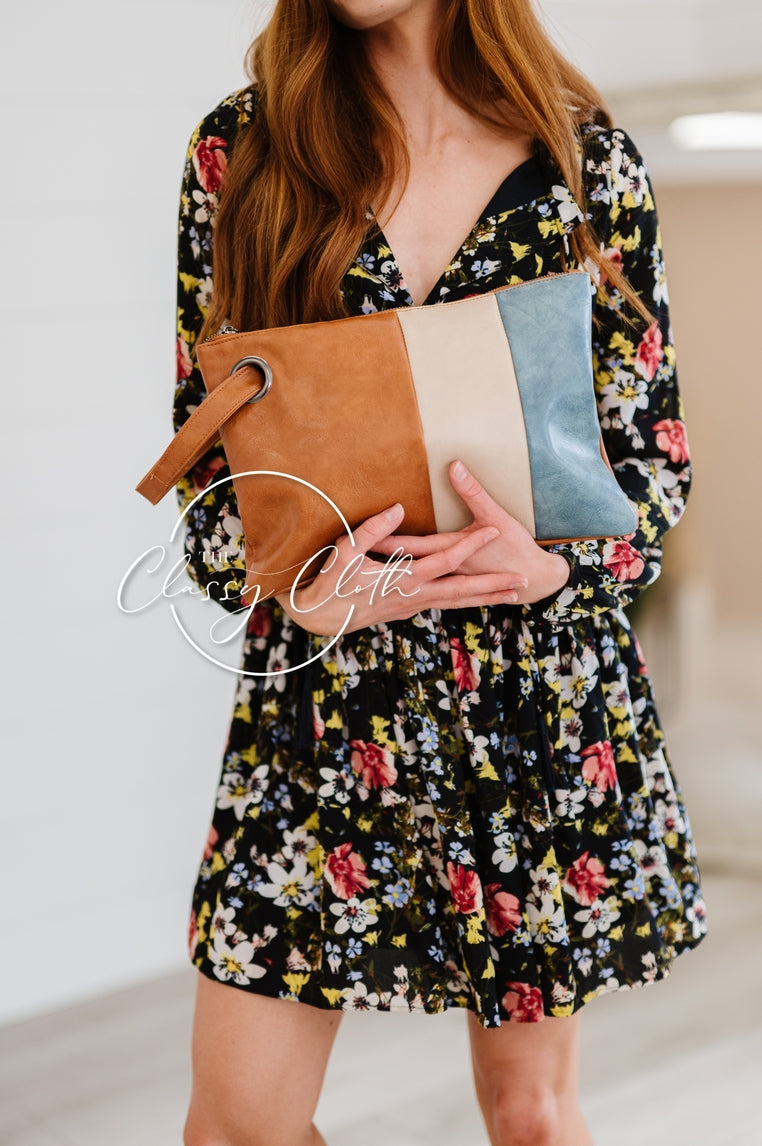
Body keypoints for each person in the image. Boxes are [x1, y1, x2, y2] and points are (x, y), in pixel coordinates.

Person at [173, 2, 707, 1144]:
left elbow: (652, 456)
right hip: (324, 699)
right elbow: (207, 460)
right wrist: (300, 594)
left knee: (529, 1114)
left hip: (535, 696)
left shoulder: (581, 158)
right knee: (237, 1124)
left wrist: (554, 572)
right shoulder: (242, 152)